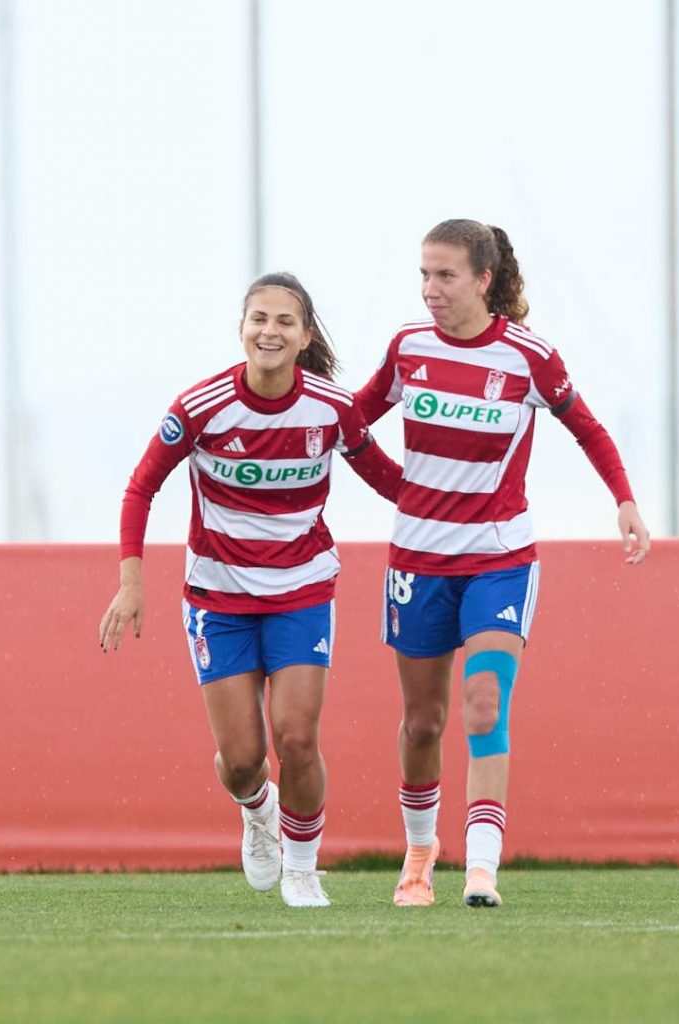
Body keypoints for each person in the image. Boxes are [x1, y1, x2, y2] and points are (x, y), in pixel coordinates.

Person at [356, 219, 650, 909]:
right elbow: (350, 425)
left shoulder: (527, 357)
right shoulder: (407, 348)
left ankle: (481, 867)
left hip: (498, 560)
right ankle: (419, 853)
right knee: (422, 722)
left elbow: (586, 427)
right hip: (417, 561)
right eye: (423, 274)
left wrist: (625, 500)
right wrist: (396, 486)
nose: (430, 289)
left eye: (445, 275)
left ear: (482, 281)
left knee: (483, 703)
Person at [99, 272, 401, 908]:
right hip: (219, 599)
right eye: (259, 319)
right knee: (242, 760)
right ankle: (258, 811)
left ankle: (302, 868)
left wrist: (460, 501)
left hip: (302, 591)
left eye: (284, 321)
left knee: (296, 738)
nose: (270, 331)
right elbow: (140, 487)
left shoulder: (332, 408)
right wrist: (132, 583)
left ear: (304, 335)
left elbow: (388, 480)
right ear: (241, 329)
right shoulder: (200, 406)